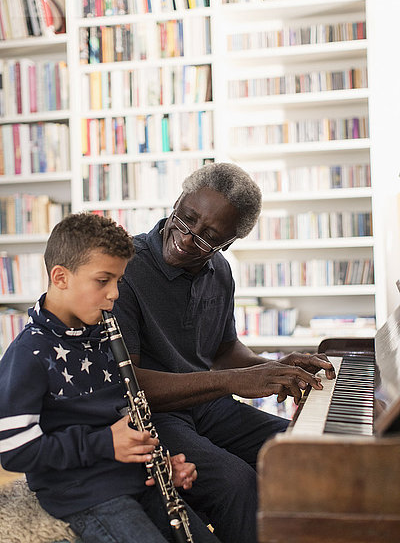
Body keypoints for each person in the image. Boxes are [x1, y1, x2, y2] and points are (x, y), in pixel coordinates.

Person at [113, 162, 336, 543]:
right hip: (155, 414)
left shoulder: (220, 270)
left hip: (209, 406)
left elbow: (224, 348)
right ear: (178, 200)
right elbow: (131, 385)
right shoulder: (126, 268)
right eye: (185, 219)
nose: (186, 238)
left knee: (306, 455)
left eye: (207, 237)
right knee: (236, 483)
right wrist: (238, 380)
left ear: (226, 244)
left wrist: (273, 368)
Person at [0, 213, 220, 543]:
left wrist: (160, 463)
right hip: (86, 494)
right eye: (103, 281)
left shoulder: (103, 335)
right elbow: (13, 449)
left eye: (118, 280)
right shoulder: (29, 353)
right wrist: (104, 444)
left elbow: (124, 421)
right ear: (60, 277)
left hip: (134, 480)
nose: (115, 293)